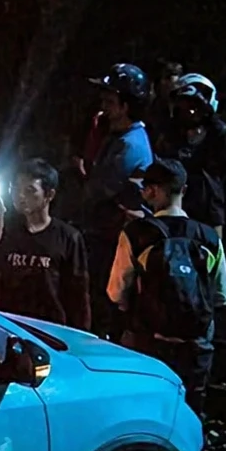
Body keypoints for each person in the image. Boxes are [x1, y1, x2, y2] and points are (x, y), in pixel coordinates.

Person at [107, 160, 226, 411]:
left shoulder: (136, 233)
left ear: (152, 191)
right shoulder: (209, 237)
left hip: (148, 344)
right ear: (183, 190)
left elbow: (116, 293)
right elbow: (222, 296)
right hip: (195, 349)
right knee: (189, 411)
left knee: (143, 409)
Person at [81, 63, 154, 336]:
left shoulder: (130, 145)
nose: (103, 106)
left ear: (126, 106)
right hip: (107, 234)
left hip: (114, 239)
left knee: (106, 306)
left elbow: (96, 190)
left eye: (110, 100)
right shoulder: (116, 137)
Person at [0, 160, 92, 329]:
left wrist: (80, 335)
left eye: (30, 191)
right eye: (15, 188)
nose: (20, 196)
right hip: (7, 325)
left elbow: (78, 294)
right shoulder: (5, 231)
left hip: (50, 329)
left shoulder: (68, 237)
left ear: (49, 195)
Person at [157, 74, 226, 234]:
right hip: (176, 206)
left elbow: (223, 175)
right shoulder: (171, 132)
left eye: (194, 106)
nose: (190, 113)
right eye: (184, 107)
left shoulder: (219, 133)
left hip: (209, 209)